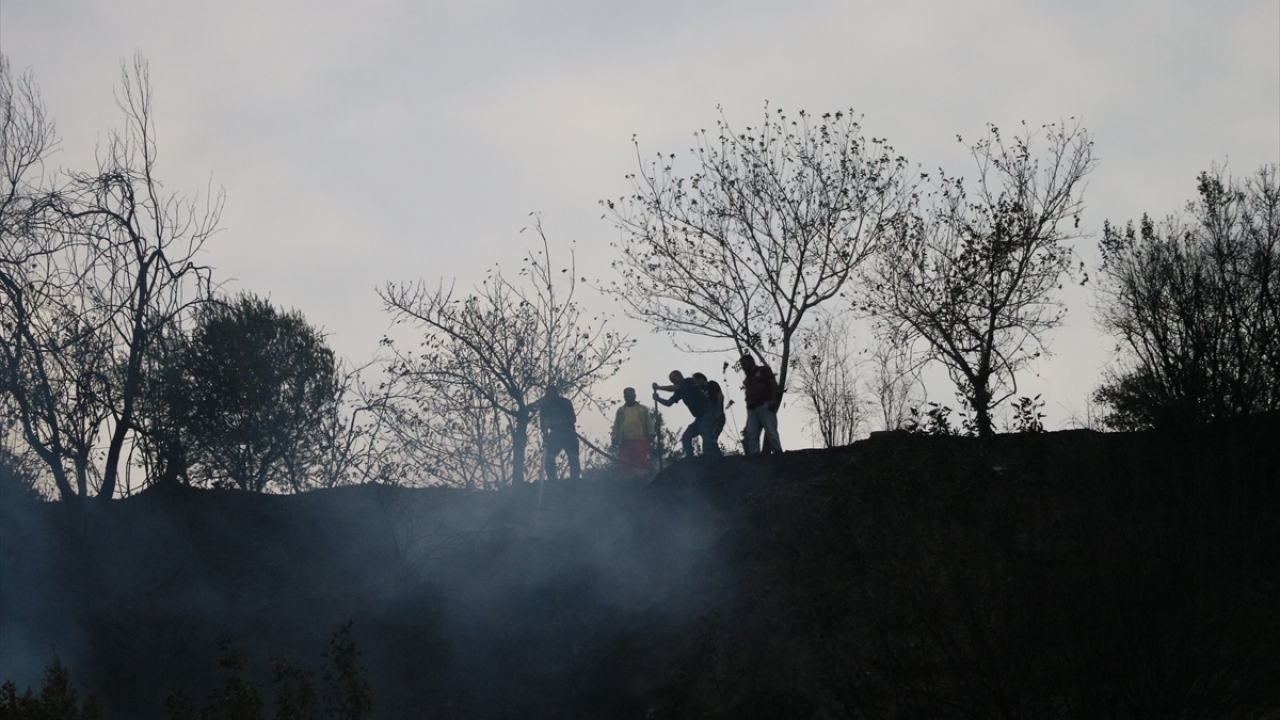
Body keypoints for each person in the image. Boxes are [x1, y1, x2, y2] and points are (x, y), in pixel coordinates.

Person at [653, 370, 722, 458]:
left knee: (705, 432)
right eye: (672, 381)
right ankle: (690, 457)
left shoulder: (689, 381)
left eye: (674, 380)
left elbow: (673, 388)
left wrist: (658, 387)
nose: (674, 383)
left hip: (708, 413)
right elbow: (669, 402)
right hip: (699, 417)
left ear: (680, 376)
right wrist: (658, 399)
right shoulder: (679, 391)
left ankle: (709, 455)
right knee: (686, 436)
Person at [533, 386, 580, 481]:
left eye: (552, 393)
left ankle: (575, 480)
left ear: (556, 393)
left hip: (569, 433)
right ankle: (552, 479)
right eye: (548, 394)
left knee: (573, 457)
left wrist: (560, 422)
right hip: (555, 434)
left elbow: (573, 419)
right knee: (549, 456)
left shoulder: (565, 402)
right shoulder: (545, 405)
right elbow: (542, 421)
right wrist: (545, 433)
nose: (550, 396)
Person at [739, 354, 782, 455]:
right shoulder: (747, 379)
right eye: (741, 365)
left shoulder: (763, 370)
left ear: (750, 362)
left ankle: (778, 453)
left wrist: (773, 400)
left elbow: (773, 384)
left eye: (744, 364)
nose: (743, 367)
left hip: (765, 405)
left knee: (771, 431)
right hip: (752, 409)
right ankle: (754, 456)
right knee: (752, 434)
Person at [612, 387, 655, 475]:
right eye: (627, 396)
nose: (629, 398)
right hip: (625, 442)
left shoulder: (643, 409)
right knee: (625, 464)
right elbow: (616, 425)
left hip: (640, 440)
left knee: (641, 464)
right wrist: (614, 437)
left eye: (630, 396)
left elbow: (649, 422)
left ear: (635, 396)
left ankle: (641, 482)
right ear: (624, 397)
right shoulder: (620, 411)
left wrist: (651, 434)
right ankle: (628, 483)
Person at [692, 372, 726, 452]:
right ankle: (712, 457)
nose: (696, 384)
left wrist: (718, 411)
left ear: (701, 378)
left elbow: (720, 396)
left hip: (716, 416)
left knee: (711, 438)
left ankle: (714, 457)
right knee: (708, 438)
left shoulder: (711, 384)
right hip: (708, 418)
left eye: (696, 381)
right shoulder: (701, 392)